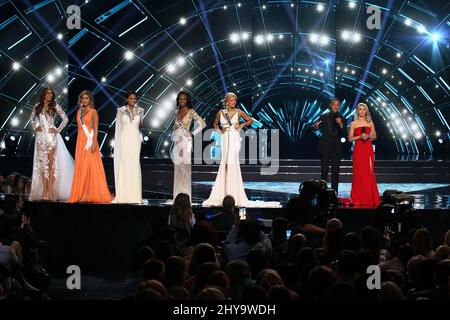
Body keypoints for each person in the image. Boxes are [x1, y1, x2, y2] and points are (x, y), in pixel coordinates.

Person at [202, 93, 280, 208]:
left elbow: (250, 121)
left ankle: (233, 193)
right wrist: (219, 132)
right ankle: (223, 192)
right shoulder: (221, 112)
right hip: (225, 137)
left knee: (232, 162)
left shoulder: (239, 112)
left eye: (235, 100)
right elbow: (215, 124)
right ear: (227, 102)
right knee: (225, 163)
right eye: (232, 100)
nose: (234, 102)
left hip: (234, 137)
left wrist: (241, 125)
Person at [68, 91, 113, 203]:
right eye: (82, 98)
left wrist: (93, 143)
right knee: (81, 166)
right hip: (80, 142)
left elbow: (96, 129)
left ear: (90, 100)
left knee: (91, 167)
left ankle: (93, 193)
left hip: (90, 142)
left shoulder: (93, 112)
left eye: (86, 98)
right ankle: (82, 194)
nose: (84, 100)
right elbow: (79, 127)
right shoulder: (79, 111)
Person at [29, 88, 74, 201]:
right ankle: (44, 190)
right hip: (40, 138)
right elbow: (31, 119)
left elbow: (65, 119)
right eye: (48, 93)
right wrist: (35, 127)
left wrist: (57, 129)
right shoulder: (37, 106)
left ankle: (49, 191)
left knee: (51, 165)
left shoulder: (55, 106)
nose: (49, 95)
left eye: (51, 93)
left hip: (51, 138)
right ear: (44, 94)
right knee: (43, 166)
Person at [170, 91, 206, 202]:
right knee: (177, 169)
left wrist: (192, 133)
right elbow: (174, 126)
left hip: (185, 141)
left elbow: (202, 123)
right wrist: (175, 130)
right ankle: (177, 196)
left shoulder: (191, 112)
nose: (182, 101)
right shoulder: (176, 112)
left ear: (187, 100)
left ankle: (186, 196)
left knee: (185, 168)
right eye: (180, 99)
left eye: (184, 99)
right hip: (177, 141)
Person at [112, 92, 144, 204]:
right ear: (127, 99)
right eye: (131, 98)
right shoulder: (120, 110)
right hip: (124, 139)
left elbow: (140, 126)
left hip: (135, 140)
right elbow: (118, 128)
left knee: (134, 164)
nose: (133, 100)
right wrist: (118, 143)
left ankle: (135, 196)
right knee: (125, 164)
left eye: (134, 98)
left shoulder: (141, 110)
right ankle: (123, 195)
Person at [348, 103, 380, 208]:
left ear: (366, 111)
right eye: (360, 109)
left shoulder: (370, 122)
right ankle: (357, 198)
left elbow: (375, 136)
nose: (362, 111)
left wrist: (368, 136)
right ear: (357, 111)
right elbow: (350, 138)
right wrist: (359, 136)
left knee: (368, 172)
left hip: (367, 149)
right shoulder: (353, 123)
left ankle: (370, 198)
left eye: (364, 109)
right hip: (358, 149)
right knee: (358, 173)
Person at [313, 98, 347, 193]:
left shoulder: (342, 118)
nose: (335, 106)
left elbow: (345, 134)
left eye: (337, 105)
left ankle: (334, 193)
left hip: (337, 148)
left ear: (339, 107)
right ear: (330, 105)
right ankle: (322, 192)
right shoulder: (323, 116)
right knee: (324, 171)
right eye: (334, 104)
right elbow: (315, 128)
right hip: (325, 147)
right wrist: (315, 127)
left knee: (335, 173)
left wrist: (340, 124)